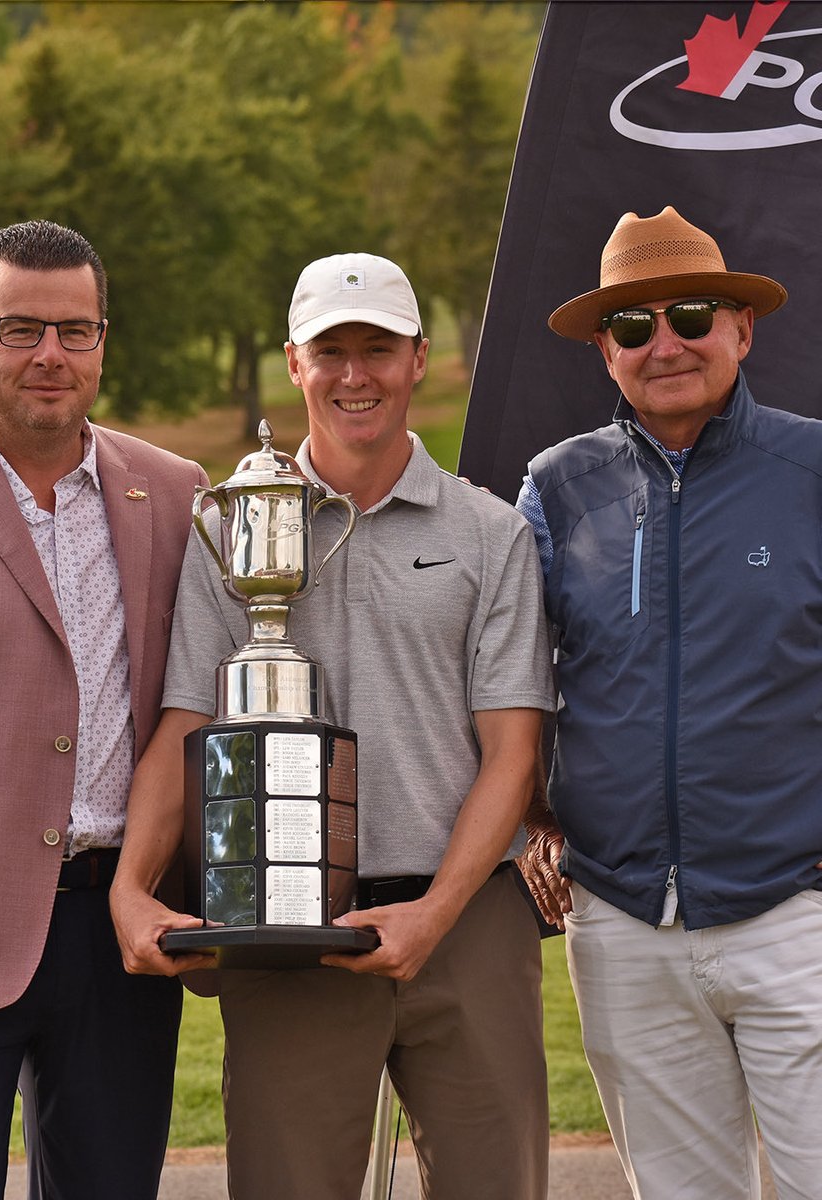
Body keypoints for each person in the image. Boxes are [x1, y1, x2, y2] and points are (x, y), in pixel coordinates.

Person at [109, 252, 556, 1199]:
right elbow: (189, 722)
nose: (356, 375)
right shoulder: (234, 530)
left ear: (419, 358)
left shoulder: (490, 534)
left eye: (379, 349)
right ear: (294, 363)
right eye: (331, 352)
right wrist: (130, 886)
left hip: (468, 923)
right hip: (286, 933)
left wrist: (436, 913)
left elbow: (513, 754)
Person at [0, 218, 214, 1200]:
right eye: (21, 329)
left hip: (121, 932)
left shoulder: (177, 495)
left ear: (102, 341)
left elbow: (199, 707)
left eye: (75, 330)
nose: (51, 354)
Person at [516, 205, 822, 1200]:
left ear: (742, 328)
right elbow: (513, 680)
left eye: (691, 316)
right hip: (623, 924)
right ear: (605, 350)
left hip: (796, 913)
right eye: (634, 325)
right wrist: (532, 814)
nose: (667, 344)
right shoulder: (557, 489)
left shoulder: (813, 471)